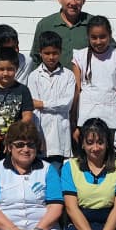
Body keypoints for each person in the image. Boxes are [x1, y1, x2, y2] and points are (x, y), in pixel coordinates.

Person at [28, 31, 76, 166]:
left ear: (60, 52)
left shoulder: (68, 75)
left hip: (59, 134)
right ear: (40, 53)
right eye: (47, 53)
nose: (51, 57)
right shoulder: (34, 76)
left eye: (54, 53)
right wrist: (50, 105)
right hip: (40, 131)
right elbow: (32, 104)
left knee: (56, 171)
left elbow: (66, 104)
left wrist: (42, 104)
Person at [72, 15, 116, 132]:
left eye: (102, 37)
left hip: (112, 120)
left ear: (110, 35)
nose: (98, 41)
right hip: (85, 119)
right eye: (94, 37)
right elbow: (76, 91)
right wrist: (73, 120)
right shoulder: (79, 57)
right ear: (88, 37)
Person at [30, 0, 91, 67]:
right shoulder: (45, 25)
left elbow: (112, 54)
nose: (73, 2)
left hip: (85, 80)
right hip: (53, 80)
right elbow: (36, 59)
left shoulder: (94, 24)